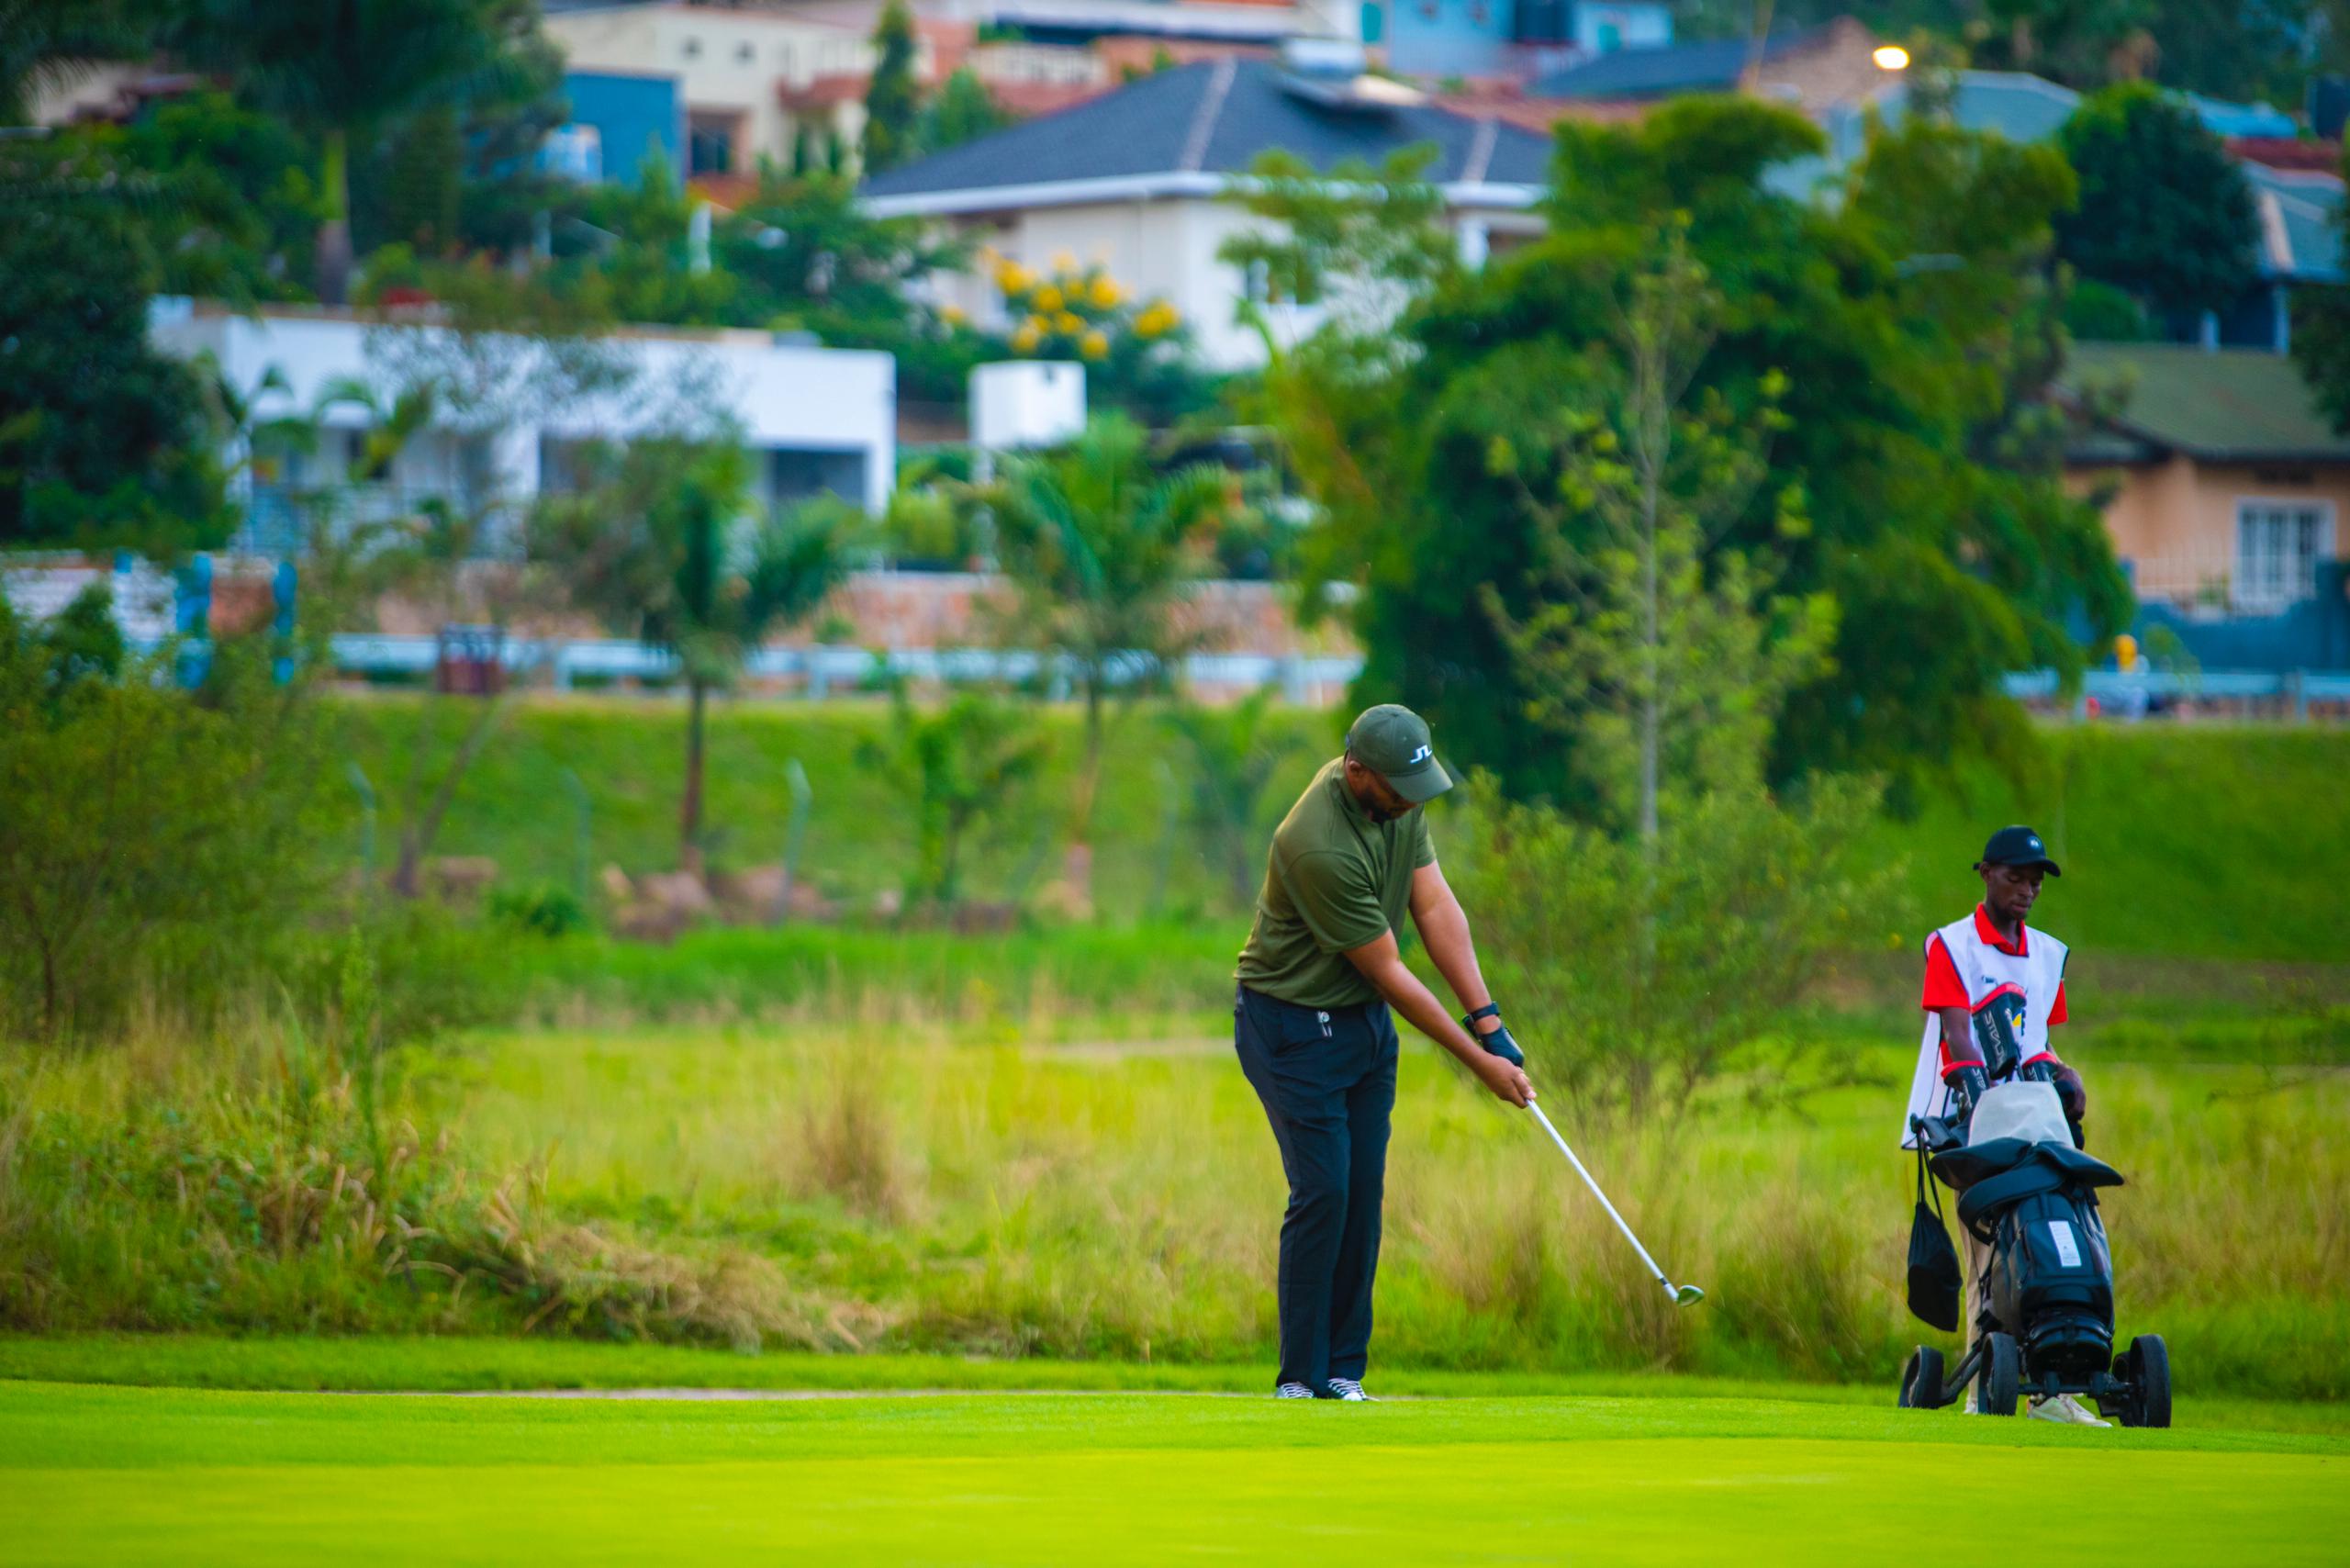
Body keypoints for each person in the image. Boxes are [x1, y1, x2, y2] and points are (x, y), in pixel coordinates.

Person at [1233, 703, 1534, 1402]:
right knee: (1325, 1192)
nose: (1409, 802)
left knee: (1362, 1196)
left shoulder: (1399, 799)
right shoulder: (1316, 843)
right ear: (1356, 771)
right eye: (1397, 789)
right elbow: (1391, 972)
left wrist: (1489, 1020)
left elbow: (1434, 909)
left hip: (1360, 1026)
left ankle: (1344, 1372)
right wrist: (1478, 1062)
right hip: (1290, 1027)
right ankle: (1299, 1380)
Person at [1901, 824, 2105, 1426]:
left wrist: (2068, 1083)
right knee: (1987, 1260)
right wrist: (1970, 1089)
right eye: (2015, 877)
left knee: (2051, 1242)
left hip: (2033, 1124)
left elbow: (2038, 1042)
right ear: (1986, 873)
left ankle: (2055, 1389)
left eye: (2035, 880)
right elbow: (1958, 1037)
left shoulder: (2046, 953)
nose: (2027, 890)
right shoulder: (1953, 946)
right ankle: (1981, 1390)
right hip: (1972, 1131)